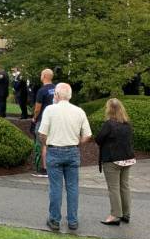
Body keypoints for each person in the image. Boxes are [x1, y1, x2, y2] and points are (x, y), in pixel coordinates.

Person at [38, 83, 91, 231]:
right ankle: (73, 221)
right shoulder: (79, 111)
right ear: (70, 95)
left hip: (54, 150)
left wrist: (46, 144)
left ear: (56, 94)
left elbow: (42, 133)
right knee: (72, 187)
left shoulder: (50, 110)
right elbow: (87, 135)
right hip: (72, 150)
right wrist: (77, 143)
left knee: (55, 187)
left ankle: (54, 220)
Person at [94, 98, 135, 226]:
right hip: (127, 158)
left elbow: (99, 139)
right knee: (125, 186)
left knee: (114, 188)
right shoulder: (127, 124)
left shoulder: (109, 124)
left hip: (113, 160)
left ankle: (115, 215)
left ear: (109, 109)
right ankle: (126, 213)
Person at [32, 69, 57, 178]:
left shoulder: (42, 90)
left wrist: (34, 118)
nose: (40, 76)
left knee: (43, 144)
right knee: (54, 143)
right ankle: (55, 166)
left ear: (45, 76)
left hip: (43, 120)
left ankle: (44, 168)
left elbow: (37, 108)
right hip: (56, 119)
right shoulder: (57, 88)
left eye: (41, 74)